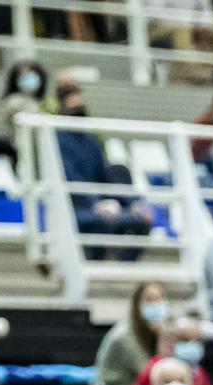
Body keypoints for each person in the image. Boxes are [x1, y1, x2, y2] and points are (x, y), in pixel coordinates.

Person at [55, 83, 151, 257]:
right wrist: (95, 204)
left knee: (142, 220)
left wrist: (131, 202)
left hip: (98, 203)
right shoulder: (56, 141)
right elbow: (68, 178)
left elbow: (105, 176)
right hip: (74, 205)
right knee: (102, 220)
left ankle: (123, 269)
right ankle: (94, 264)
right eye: (74, 107)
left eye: (81, 107)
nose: (79, 111)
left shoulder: (92, 143)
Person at [94, 280, 170, 385]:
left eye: (159, 299)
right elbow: (152, 374)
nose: (156, 305)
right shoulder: (123, 337)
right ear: (137, 305)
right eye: (150, 300)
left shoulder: (151, 331)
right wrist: (163, 339)